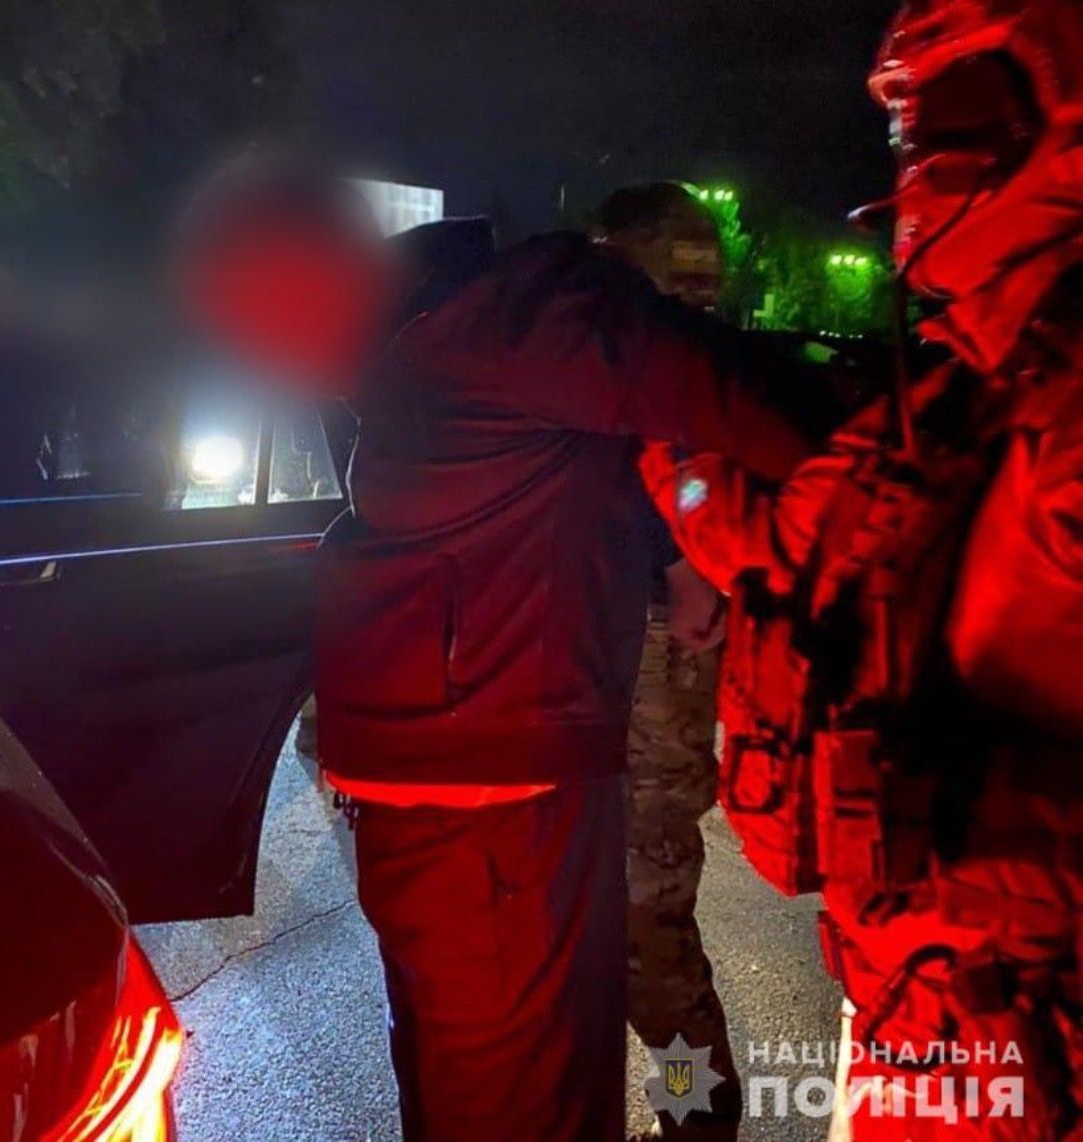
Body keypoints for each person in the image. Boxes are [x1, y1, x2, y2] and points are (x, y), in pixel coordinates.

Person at [177, 158, 809, 1141]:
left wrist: (694, 558)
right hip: (563, 715)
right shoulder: (527, 383)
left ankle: (696, 1113)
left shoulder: (612, 383)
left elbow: (736, 442)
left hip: (619, 716)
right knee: (579, 986)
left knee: (652, 954)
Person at [641, 1, 1083, 1137]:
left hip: (1021, 1044)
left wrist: (968, 854)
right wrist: (669, 452)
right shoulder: (966, 388)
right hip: (916, 1017)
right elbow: (794, 543)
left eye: (952, 113)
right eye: (902, 126)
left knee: (656, 971)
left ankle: (696, 1116)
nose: (915, 158)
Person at [592, 182, 741, 1141]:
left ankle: (698, 1117)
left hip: (655, 653)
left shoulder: (668, 369)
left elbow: (676, 490)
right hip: (616, 652)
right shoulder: (641, 361)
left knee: (647, 927)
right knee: (609, 925)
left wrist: (685, 570)